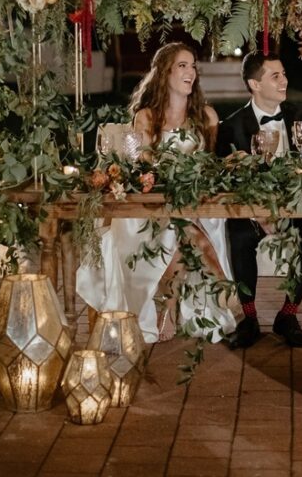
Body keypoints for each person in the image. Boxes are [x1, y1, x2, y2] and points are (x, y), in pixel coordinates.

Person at [76, 42, 236, 343]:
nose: (192, 72)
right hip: (154, 206)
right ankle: (225, 294)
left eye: (193, 66)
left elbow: (212, 166)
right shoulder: (147, 118)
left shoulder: (207, 116)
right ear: (165, 73)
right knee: (184, 233)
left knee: (187, 229)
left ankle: (167, 303)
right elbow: (146, 171)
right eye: (183, 66)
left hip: (194, 204)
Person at [216, 51, 302, 349]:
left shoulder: (300, 118)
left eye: (284, 74)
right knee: (238, 232)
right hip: (253, 211)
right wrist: (258, 213)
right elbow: (226, 182)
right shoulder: (232, 126)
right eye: (275, 76)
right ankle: (250, 318)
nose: (285, 81)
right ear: (255, 84)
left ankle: (288, 314)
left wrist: (290, 208)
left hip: (297, 209)